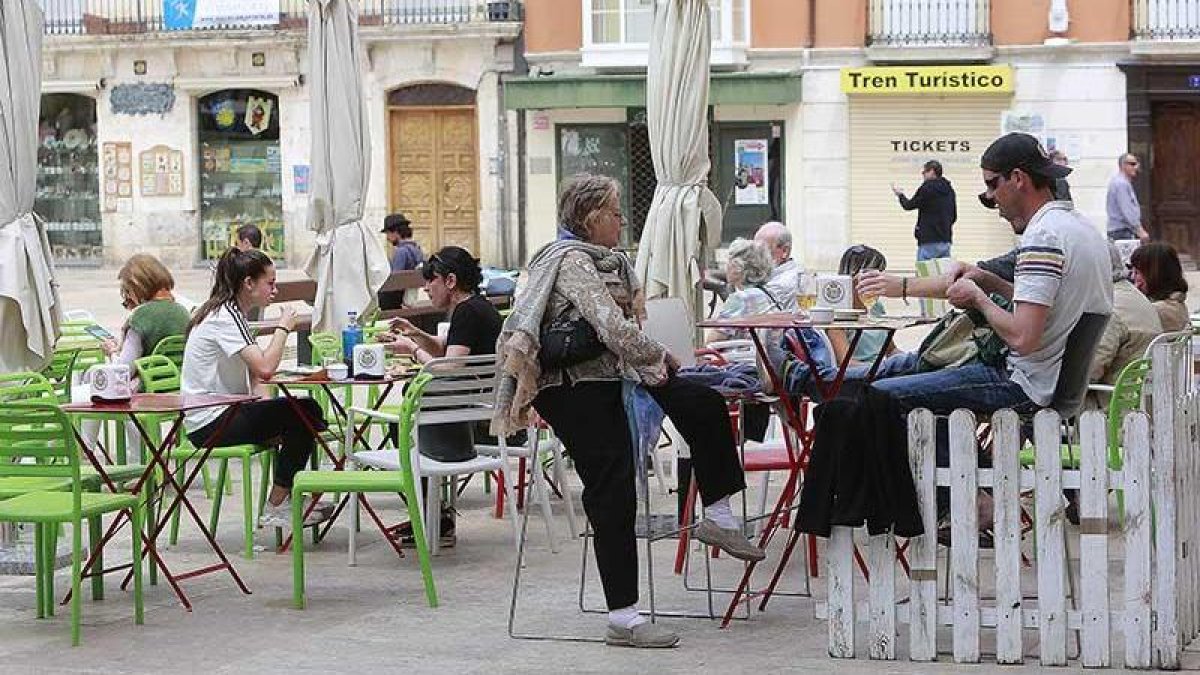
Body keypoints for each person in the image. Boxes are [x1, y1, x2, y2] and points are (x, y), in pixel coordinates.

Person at [492, 174, 765, 649]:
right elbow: (611, 326)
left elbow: (623, 335)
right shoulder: (572, 260)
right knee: (612, 485)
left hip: (615, 372)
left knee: (701, 402)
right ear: (592, 218)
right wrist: (658, 357)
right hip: (571, 385)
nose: (622, 221)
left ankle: (718, 515)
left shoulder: (613, 261)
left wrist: (654, 360)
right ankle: (625, 615)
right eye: (615, 213)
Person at [798, 132, 1113, 538]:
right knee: (888, 377)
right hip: (1047, 380)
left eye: (989, 185)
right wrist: (990, 282)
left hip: (1020, 381)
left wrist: (979, 298)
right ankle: (967, 490)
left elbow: (1023, 337)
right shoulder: (1080, 231)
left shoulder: (1043, 238)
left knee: (879, 397)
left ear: (1017, 178)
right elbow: (1047, 309)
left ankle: (951, 504)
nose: (990, 201)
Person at [181, 248, 332, 530]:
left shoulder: (227, 313)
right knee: (306, 412)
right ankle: (278, 505)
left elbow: (255, 374)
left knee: (302, 413)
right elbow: (264, 367)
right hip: (209, 421)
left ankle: (289, 496)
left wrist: (265, 409)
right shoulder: (224, 317)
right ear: (249, 283)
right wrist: (283, 327)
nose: (274, 290)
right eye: (270, 283)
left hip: (222, 413)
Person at [378, 245, 508, 546]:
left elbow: (449, 367)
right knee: (406, 418)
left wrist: (412, 350)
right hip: (474, 411)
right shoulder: (477, 307)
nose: (426, 288)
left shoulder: (467, 312)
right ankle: (431, 515)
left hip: (470, 417)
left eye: (430, 280)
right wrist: (416, 334)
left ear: (450, 281)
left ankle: (431, 516)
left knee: (400, 425)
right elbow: (449, 350)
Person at [1090, 242, 1163, 401]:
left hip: (1109, 406)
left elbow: (1091, 370)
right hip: (1139, 401)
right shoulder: (1135, 296)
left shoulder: (1109, 307)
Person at [826, 245, 894, 367]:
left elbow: (892, 350)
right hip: (861, 376)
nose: (880, 280)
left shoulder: (876, 306)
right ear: (854, 275)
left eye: (881, 274)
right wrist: (886, 368)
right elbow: (847, 364)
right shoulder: (837, 313)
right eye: (873, 275)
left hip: (882, 370)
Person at [704, 238, 778, 343]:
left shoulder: (740, 299)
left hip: (739, 356)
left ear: (737, 268)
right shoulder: (766, 294)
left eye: (728, 262)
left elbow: (713, 339)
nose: (726, 268)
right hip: (758, 354)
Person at [892, 159, 957, 261]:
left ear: (932, 171)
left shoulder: (927, 188)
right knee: (943, 273)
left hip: (928, 239)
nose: (922, 175)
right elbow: (953, 216)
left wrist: (900, 195)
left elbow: (909, 205)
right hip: (945, 240)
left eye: (924, 172)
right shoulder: (949, 190)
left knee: (924, 274)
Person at [1129, 241, 1190, 331]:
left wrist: (1133, 295)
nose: (1132, 277)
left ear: (1154, 275)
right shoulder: (1176, 303)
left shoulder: (1156, 311)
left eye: (1137, 272)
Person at [753, 221, 800, 311]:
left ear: (784, 251)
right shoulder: (769, 276)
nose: (755, 256)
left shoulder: (783, 282)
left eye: (761, 251)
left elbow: (745, 312)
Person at [1106, 153, 1150, 243]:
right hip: (1122, 231)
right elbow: (1127, 210)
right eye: (1132, 164)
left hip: (1120, 230)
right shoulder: (1121, 184)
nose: (1136, 167)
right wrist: (1140, 230)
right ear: (1123, 165)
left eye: (1137, 164)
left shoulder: (1120, 182)